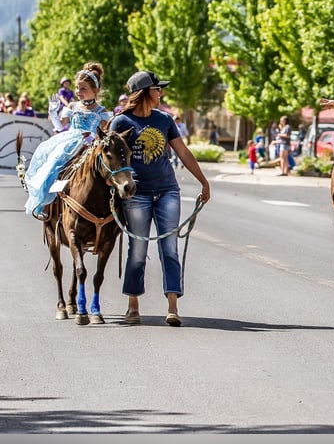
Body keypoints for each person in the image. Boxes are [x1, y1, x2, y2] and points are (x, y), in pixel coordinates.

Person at [109, 70, 211, 327]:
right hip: (137, 194)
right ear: (144, 93)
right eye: (157, 89)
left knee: (169, 248)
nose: (160, 93)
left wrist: (203, 181)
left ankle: (173, 306)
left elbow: (183, 152)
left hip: (167, 190)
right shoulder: (120, 123)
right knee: (138, 249)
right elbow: (111, 161)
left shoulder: (165, 120)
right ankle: (133, 305)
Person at [23, 62, 111, 220]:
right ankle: (44, 204)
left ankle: (115, 206)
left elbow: (106, 133)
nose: (78, 92)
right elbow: (60, 125)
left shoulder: (102, 111)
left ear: (95, 90)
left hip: (93, 146)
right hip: (72, 143)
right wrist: (54, 113)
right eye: (77, 88)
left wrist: (94, 137)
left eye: (83, 88)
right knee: (53, 165)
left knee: (110, 170)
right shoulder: (73, 105)